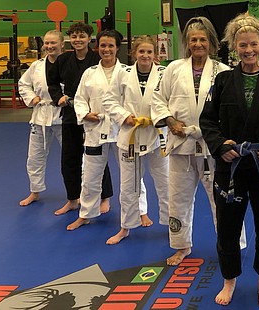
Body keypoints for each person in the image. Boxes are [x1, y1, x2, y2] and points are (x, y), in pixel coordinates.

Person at [200, 14, 259, 307]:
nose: (248, 50)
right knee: (227, 225)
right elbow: (207, 120)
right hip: (232, 165)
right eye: (242, 45)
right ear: (234, 47)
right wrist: (219, 144)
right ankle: (229, 280)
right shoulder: (223, 80)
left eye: (253, 44)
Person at [152, 16, 233, 266]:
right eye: (193, 39)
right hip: (180, 143)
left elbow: (230, 109)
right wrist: (169, 121)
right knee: (178, 197)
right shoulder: (174, 68)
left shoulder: (223, 71)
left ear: (211, 42)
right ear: (187, 43)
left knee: (222, 198)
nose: (198, 44)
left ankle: (229, 245)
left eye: (203, 39)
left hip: (212, 146)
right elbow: (157, 99)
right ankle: (181, 245)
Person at [103, 35, 170, 244]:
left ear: (155, 55)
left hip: (157, 135)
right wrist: (123, 116)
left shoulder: (163, 73)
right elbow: (109, 100)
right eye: (141, 51)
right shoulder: (123, 73)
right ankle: (126, 227)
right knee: (129, 185)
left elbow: (172, 98)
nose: (145, 55)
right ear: (134, 53)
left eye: (149, 52)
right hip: (130, 136)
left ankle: (171, 225)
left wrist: (163, 117)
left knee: (165, 183)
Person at [48, 22, 113, 216]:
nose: (78, 40)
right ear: (70, 39)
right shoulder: (63, 59)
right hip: (70, 114)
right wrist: (57, 96)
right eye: (74, 37)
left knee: (97, 157)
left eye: (82, 36)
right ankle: (73, 199)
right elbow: (51, 82)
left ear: (89, 38)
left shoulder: (97, 58)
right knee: (69, 158)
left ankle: (104, 197)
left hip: (94, 115)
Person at [68, 29, 126, 230]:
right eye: (103, 45)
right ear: (97, 47)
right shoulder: (89, 73)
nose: (106, 49)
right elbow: (79, 99)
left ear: (118, 48)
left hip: (122, 130)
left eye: (111, 45)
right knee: (91, 175)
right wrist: (84, 114)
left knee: (130, 175)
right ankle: (85, 214)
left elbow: (135, 100)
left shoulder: (127, 72)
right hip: (95, 128)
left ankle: (139, 212)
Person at [17, 30, 65, 206]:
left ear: (62, 45)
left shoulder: (68, 64)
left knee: (71, 158)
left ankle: (79, 193)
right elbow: (23, 83)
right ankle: (35, 191)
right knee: (35, 156)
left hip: (63, 116)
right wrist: (31, 98)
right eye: (47, 43)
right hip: (40, 115)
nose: (49, 46)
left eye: (53, 43)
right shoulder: (37, 65)